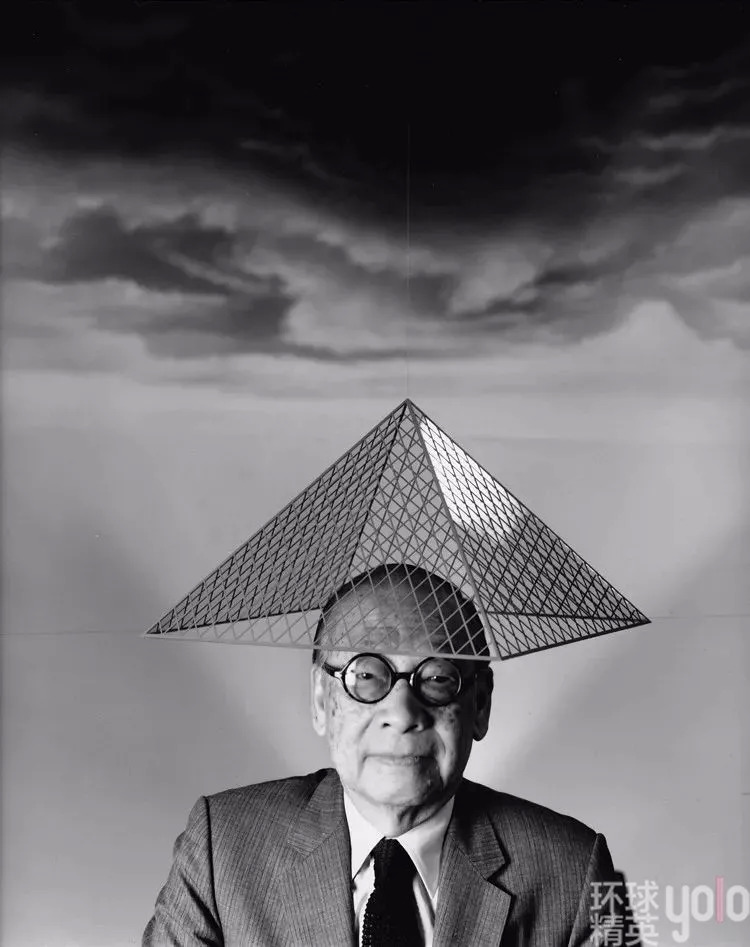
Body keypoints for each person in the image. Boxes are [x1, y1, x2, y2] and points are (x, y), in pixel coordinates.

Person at [143, 563, 635, 946]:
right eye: (366, 675)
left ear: (480, 704)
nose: (401, 713)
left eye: (437, 678)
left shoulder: (573, 870)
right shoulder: (223, 849)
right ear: (321, 700)